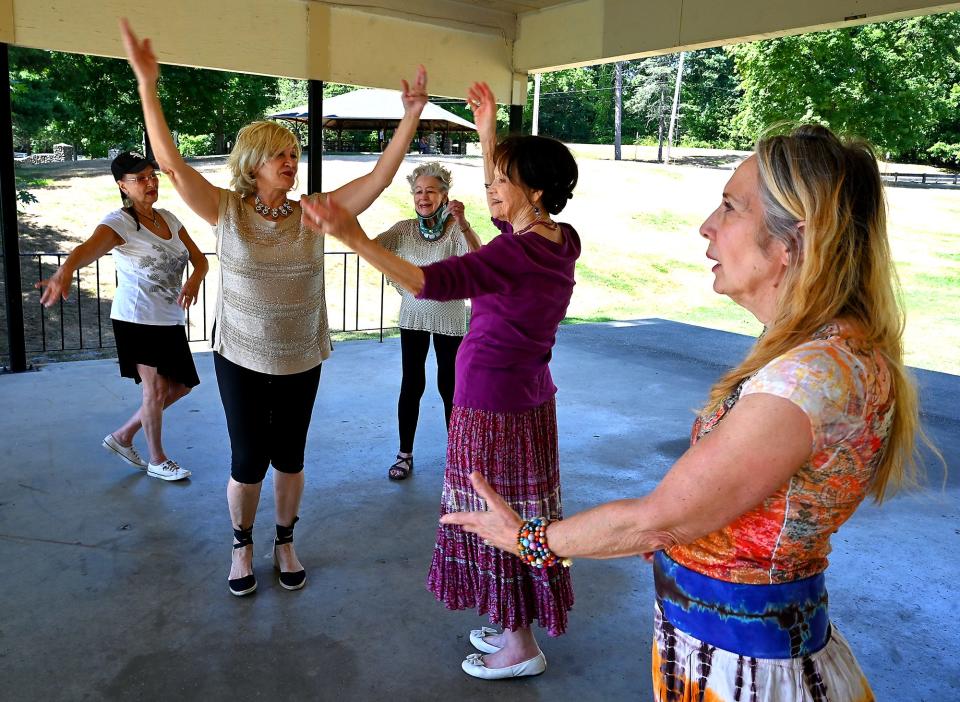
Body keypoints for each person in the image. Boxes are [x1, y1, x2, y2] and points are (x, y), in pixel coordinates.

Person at [442, 125, 933, 700]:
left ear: (790, 243)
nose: (707, 225)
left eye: (730, 206)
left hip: (747, 673)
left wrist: (527, 537)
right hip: (740, 654)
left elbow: (659, 519)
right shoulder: (829, 353)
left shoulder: (808, 378)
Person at [120, 19, 428, 596]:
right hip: (239, 355)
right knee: (248, 457)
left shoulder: (316, 211)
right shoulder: (226, 210)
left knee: (290, 455)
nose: (291, 161)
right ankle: (243, 545)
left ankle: (285, 539)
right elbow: (172, 165)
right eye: (279, 155)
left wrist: (409, 116)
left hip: (301, 355)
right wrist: (146, 84)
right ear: (253, 163)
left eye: (293, 153)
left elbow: (378, 180)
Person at [303, 80, 580, 679]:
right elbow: (505, 211)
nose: (489, 191)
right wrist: (486, 134)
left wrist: (351, 237)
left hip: (492, 405)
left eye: (499, 182)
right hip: (528, 398)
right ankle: (513, 622)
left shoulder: (515, 254)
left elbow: (432, 283)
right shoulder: (556, 240)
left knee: (496, 518)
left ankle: (520, 644)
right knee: (519, 511)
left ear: (530, 191)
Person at [37, 151, 207, 482]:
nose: (150, 182)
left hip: (168, 319)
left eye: (152, 176)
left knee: (183, 385)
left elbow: (200, 260)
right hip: (136, 318)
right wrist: (66, 270)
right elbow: (87, 248)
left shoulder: (169, 219)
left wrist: (194, 279)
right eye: (140, 179)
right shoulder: (119, 222)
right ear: (122, 186)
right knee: (154, 390)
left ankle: (123, 436)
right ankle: (158, 459)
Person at [375, 162, 481, 480]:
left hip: (450, 318)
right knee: (412, 384)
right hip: (413, 317)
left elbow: (479, 258)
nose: (423, 197)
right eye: (418, 191)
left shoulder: (454, 230)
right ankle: (404, 454)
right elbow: (372, 249)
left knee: (450, 386)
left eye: (430, 191)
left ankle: (457, 457)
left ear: (444, 195)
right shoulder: (404, 229)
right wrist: (399, 281)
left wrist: (462, 222)